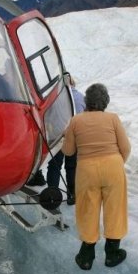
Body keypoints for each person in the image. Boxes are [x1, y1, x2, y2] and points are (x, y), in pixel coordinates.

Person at [62, 83, 131, 270]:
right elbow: (125, 148)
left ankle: (86, 256)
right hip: (113, 167)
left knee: (87, 208)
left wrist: (65, 137)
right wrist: (115, 164)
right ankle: (112, 254)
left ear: (86, 102)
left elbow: (68, 152)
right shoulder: (113, 119)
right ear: (105, 101)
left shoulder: (76, 121)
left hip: (87, 169)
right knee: (115, 208)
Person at [47, 75, 86, 205]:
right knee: (72, 166)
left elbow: (49, 117)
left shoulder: (55, 99)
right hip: (75, 137)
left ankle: (52, 198)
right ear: (73, 83)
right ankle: (72, 195)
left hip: (58, 137)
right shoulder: (81, 97)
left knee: (54, 166)